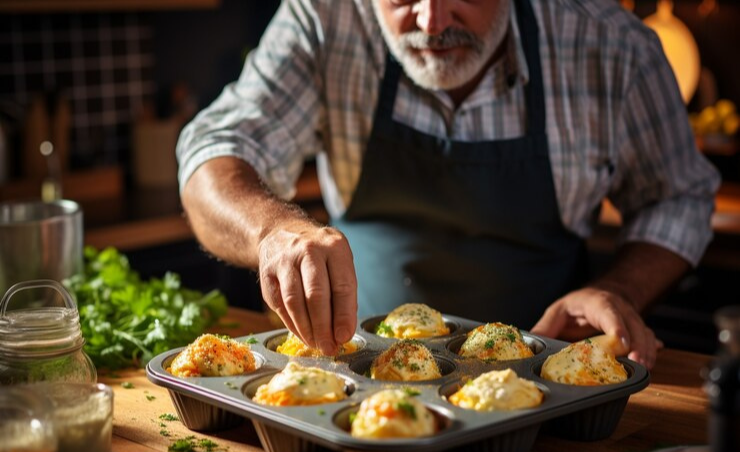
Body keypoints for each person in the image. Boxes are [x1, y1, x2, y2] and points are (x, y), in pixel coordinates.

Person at [176, 0, 720, 369]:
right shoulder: (325, 18)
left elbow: (678, 195)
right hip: (356, 370)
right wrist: (272, 230)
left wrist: (621, 290)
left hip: (550, 371)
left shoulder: (609, 45)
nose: (432, 22)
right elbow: (214, 150)